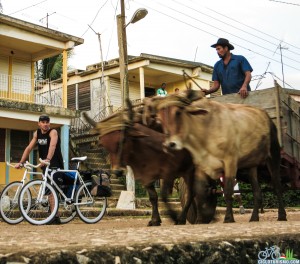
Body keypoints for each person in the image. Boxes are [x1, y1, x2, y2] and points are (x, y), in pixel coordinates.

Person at [15, 114, 65, 224]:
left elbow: (52, 146)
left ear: (49, 123)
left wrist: (48, 159)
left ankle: (55, 217)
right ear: (39, 123)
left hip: (55, 164)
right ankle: (52, 213)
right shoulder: (36, 134)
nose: (45, 124)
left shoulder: (53, 132)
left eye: (47, 122)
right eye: (43, 122)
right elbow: (28, 148)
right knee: (48, 190)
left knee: (52, 190)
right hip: (45, 164)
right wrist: (21, 162)